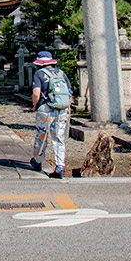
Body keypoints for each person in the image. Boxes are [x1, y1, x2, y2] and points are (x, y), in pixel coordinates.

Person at [30, 50, 73, 179]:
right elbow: (69, 91)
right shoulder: (61, 73)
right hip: (62, 109)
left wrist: (34, 105)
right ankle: (59, 166)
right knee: (59, 137)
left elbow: (36, 93)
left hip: (46, 108)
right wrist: (68, 106)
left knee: (42, 134)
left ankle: (38, 161)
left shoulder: (39, 74)